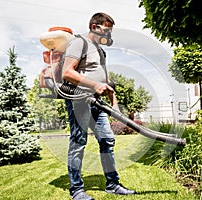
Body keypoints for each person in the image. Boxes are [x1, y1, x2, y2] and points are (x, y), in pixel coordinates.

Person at [62, 12, 136, 200]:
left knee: (107, 140)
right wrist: (94, 84)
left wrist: (115, 105)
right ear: (95, 27)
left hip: (97, 102)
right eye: (107, 30)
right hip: (79, 99)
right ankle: (76, 190)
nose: (109, 34)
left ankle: (112, 184)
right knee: (78, 142)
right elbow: (67, 72)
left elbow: (107, 82)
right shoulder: (79, 43)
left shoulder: (101, 51)